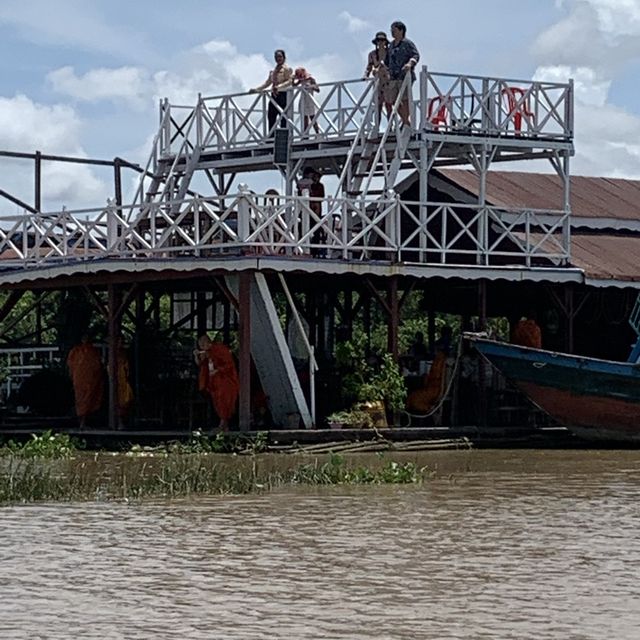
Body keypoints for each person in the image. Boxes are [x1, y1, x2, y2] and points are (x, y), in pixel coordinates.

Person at [194, 333, 240, 431]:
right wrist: (196, 356)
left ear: (207, 342)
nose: (202, 348)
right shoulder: (207, 352)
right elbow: (201, 364)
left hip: (225, 380)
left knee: (225, 401)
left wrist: (218, 370)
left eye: (202, 345)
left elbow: (228, 365)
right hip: (214, 382)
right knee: (217, 402)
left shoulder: (220, 349)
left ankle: (223, 424)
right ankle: (223, 425)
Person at [250, 49, 293, 136]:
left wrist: (279, 87)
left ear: (284, 58)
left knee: (283, 116)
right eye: (276, 57)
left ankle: (283, 135)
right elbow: (267, 83)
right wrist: (257, 89)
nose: (278, 58)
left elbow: (289, 81)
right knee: (271, 115)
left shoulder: (287, 69)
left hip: (283, 94)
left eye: (280, 56)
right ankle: (271, 136)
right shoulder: (273, 71)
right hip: (274, 95)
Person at [386, 21, 420, 127]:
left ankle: (405, 122)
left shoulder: (407, 43)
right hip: (393, 77)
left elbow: (415, 55)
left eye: (394, 30)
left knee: (404, 100)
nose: (392, 32)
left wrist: (410, 64)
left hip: (404, 77)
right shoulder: (391, 45)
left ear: (401, 31)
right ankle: (406, 122)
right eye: (391, 30)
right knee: (391, 99)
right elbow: (387, 60)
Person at [67, 334, 104, 428]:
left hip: (92, 380)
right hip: (79, 380)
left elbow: (98, 365)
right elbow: (71, 365)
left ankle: (87, 421)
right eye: (84, 338)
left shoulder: (94, 351)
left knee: (91, 399)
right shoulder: (76, 351)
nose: (86, 339)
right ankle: (81, 422)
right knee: (81, 399)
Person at [364, 31, 392, 119]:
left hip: (388, 80)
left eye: (382, 40)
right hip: (378, 81)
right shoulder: (372, 54)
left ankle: (390, 126)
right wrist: (366, 75)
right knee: (378, 105)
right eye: (378, 41)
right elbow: (369, 66)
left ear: (385, 42)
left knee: (389, 104)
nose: (380, 42)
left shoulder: (390, 53)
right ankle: (377, 126)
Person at [293, 67, 320, 135]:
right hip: (303, 99)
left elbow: (318, 89)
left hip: (310, 99)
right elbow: (294, 85)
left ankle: (318, 133)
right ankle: (306, 134)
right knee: (304, 118)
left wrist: (311, 86)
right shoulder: (301, 80)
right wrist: (292, 80)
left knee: (312, 117)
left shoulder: (311, 79)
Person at [115, 336, 134, 428]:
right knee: (118, 401)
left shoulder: (124, 353)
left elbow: (127, 366)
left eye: (122, 342)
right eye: (119, 342)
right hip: (116, 381)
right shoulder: (113, 354)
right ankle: (119, 422)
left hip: (124, 380)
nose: (121, 344)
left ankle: (124, 422)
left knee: (127, 400)